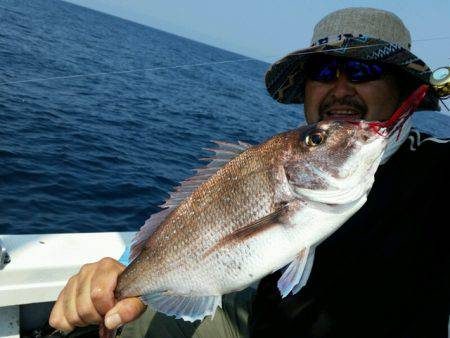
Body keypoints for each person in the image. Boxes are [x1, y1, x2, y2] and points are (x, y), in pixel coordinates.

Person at [49, 7, 450, 338]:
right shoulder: (275, 158)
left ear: (401, 90)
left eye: (363, 72)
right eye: (324, 73)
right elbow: (195, 223)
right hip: (258, 320)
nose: (341, 88)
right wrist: (122, 273)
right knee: (117, 327)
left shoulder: (436, 170)